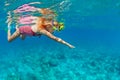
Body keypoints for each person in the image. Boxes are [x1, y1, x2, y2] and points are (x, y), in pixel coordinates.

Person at [7, 3, 75, 48]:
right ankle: (9, 28)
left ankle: (18, 29)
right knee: (9, 40)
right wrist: (68, 45)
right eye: (55, 29)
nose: (54, 31)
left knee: (22, 39)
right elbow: (55, 39)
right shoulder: (42, 30)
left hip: (27, 32)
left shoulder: (44, 27)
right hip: (22, 30)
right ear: (49, 26)